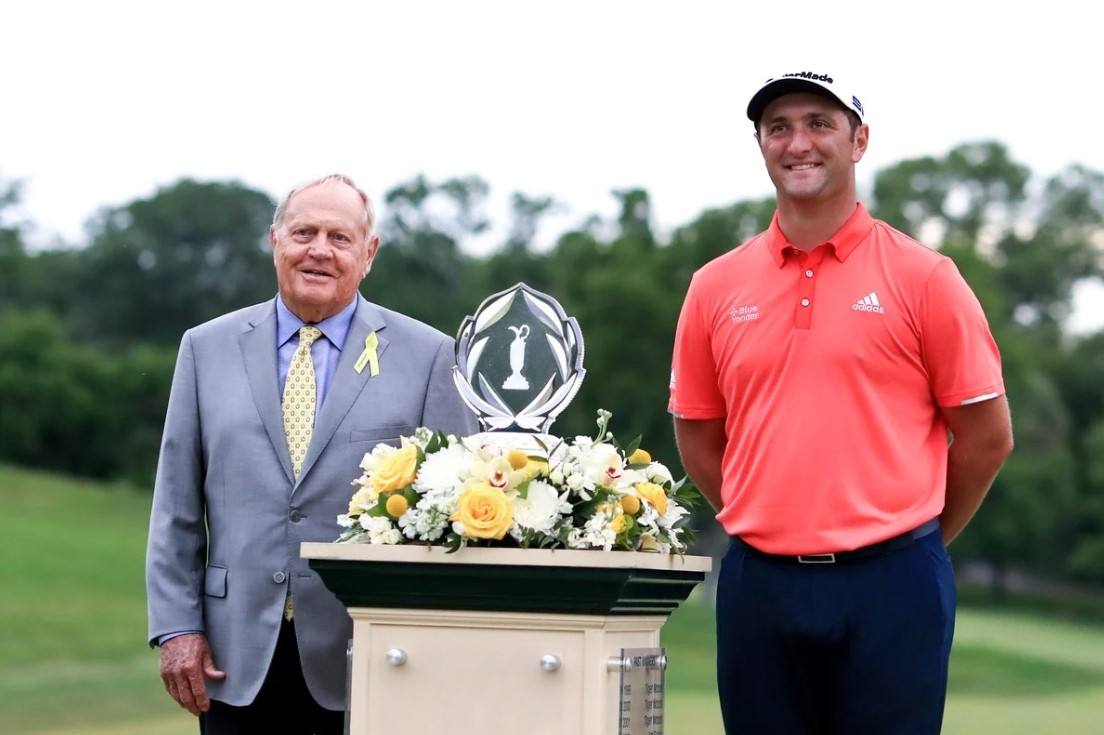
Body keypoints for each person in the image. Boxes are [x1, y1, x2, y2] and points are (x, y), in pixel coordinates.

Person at [668, 70, 1014, 735]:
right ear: (762, 144)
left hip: (893, 580)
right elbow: (699, 434)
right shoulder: (714, 286)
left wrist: (918, 537)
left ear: (858, 141)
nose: (799, 142)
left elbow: (987, 437)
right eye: (779, 127)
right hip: (758, 581)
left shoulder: (926, 278)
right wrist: (772, 517)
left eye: (819, 124)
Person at [145, 173, 478, 734]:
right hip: (233, 657)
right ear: (274, 239)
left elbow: (456, 516)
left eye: (339, 237)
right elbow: (175, 506)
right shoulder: (205, 349)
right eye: (303, 232)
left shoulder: (429, 356)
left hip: (372, 657)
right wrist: (177, 628)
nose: (319, 250)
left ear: (368, 254)